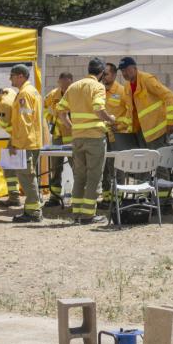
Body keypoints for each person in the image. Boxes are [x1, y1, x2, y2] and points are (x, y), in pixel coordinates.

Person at [57, 58, 116, 224]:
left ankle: (77, 212)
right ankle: (88, 215)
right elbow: (99, 108)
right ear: (102, 73)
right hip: (95, 138)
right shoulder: (98, 86)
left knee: (80, 176)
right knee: (94, 177)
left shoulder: (73, 86)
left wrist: (72, 127)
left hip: (77, 138)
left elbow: (60, 111)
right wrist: (110, 119)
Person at [118, 56, 173, 211]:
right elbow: (131, 112)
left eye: (126, 70)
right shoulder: (127, 87)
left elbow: (169, 95)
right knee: (142, 167)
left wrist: (170, 121)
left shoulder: (147, 79)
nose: (124, 73)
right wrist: (119, 125)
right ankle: (142, 201)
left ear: (134, 68)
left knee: (161, 166)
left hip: (157, 131)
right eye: (122, 71)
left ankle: (165, 204)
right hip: (139, 133)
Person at [9, 64, 44, 223]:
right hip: (30, 141)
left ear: (21, 76)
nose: (11, 79)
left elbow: (24, 122)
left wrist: (16, 143)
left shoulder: (24, 94)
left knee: (27, 177)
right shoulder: (32, 91)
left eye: (13, 76)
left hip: (26, 143)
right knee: (28, 177)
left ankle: (34, 212)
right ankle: (31, 210)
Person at [99, 63, 131, 208]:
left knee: (117, 167)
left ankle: (118, 197)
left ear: (114, 74)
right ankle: (106, 198)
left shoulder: (122, 91)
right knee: (104, 167)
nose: (103, 76)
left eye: (106, 74)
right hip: (101, 134)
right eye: (102, 74)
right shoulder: (98, 90)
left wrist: (118, 124)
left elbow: (130, 112)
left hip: (117, 135)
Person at [43, 72, 74, 207]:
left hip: (72, 135)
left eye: (66, 85)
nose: (64, 88)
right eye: (62, 84)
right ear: (59, 82)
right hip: (57, 135)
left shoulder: (75, 93)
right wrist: (50, 118)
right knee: (56, 167)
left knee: (76, 166)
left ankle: (79, 196)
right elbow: (42, 106)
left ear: (71, 82)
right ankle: (54, 197)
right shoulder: (54, 94)